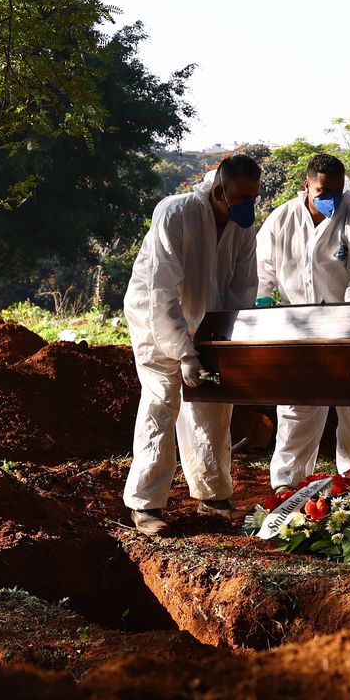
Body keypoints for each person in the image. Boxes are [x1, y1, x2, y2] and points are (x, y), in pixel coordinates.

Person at [120, 154, 262, 536]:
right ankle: (145, 503)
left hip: (210, 323)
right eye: (241, 197)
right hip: (154, 321)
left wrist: (226, 340)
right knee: (163, 400)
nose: (248, 206)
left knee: (214, 404)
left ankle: (213, 494)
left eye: (254, 197)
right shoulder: (175, 213)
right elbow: (162, 290)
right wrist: (183, 352)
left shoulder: (242, 224)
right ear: (218, 190)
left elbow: (243, 287)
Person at [256, 153, 350, 496]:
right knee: (297, 406)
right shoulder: (281, 220)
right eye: (322, 190)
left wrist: (343, 320)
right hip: (296, 329)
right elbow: (261, 272)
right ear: (306, 186)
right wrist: (262, 302)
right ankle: (288, 485)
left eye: (337, 191)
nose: (331, 197)